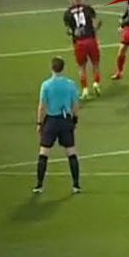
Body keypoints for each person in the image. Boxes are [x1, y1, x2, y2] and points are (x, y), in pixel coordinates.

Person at [34, 56, 81, 194]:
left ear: (52, 68)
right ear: (63, 68)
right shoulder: (71, 84)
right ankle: (76, 185)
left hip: (51, 121)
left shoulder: (46, 85)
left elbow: (42, 106)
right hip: (65, 120)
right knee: (71, 152)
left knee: (44, 153)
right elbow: (75, 105)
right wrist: (74, 120)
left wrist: (39, 123)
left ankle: (39, 185)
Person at [63, 0, 102, 99]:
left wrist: (72, 32)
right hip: (91, 40)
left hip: (79, 43)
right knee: (95, 64)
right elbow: (95, 24)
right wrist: (96, 29)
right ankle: (96, 83)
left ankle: (85, 90)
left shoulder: (68, 13)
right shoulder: (88, 8)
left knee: (82, 67)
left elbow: (69, 31)